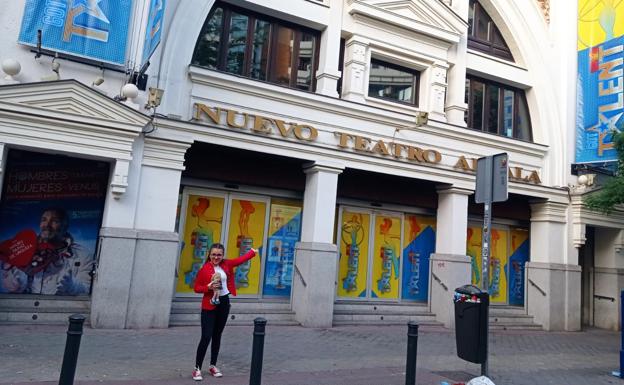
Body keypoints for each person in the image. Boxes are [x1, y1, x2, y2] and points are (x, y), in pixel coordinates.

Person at [192, 243, 258, 381]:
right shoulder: (204, 269)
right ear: (209, 255)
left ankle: (212, 366)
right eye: (214, 254)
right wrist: (208, 287)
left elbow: (240, 260)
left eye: (219, 255)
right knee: (206, 336)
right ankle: (197, 368)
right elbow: (196, 288)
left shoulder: (226, 264)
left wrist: (252, 252)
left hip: (224, 303)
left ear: (222, 255)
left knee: (217, 335)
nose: (216, 257)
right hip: (209, 305)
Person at [0, 208, 93, 295]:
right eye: (44, 220)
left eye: (54, 221)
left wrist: (73, 287)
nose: (47, 225)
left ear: (65, 227)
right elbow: (9, 289)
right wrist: (14, 285)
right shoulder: (24, 249)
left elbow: (88, 289)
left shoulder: (82, 255)